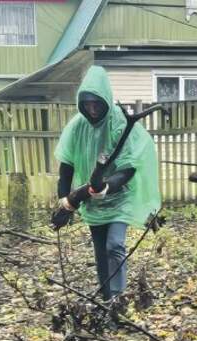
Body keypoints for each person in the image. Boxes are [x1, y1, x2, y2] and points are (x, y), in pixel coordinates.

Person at [52, 66, 161, 301]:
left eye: (97, 104)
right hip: (91, 198)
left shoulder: (120, 124)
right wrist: (65, 202)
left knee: (114, 245)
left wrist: (108, 187)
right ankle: (106, 299)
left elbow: (129, 167)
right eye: (87, 104)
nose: (92, 110)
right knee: (100, 251)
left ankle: (118, 298)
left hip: (121, 196)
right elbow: (67, 166)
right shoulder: (76, 127)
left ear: (105, 100)